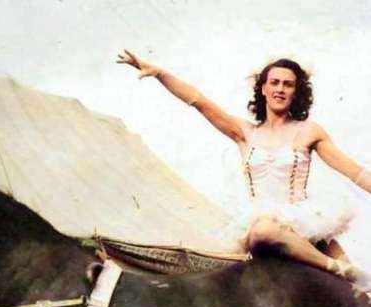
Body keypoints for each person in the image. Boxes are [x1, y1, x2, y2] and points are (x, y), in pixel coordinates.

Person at [117, 51, 371, 286]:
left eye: (288, 84)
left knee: (364, 292)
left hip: (303, 222)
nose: (280, 89)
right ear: (263, 89)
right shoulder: (244, 133)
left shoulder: (308, 131)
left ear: (296, 92)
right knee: (261, 231)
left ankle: (343, 269)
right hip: (263, 225)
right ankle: (337, 268)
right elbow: (199, 101)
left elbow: (355, 172)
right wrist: (161, 74)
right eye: (275, 82)